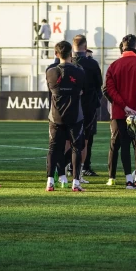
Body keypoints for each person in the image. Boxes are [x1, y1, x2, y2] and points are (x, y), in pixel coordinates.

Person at [103, 34, 136, 189]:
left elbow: (109, 89)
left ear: (122, 47)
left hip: (120, 113)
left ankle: (128, 180)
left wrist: (124, 106)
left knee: (123, 145)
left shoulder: (114, 66)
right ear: (135, 46)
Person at [46, 41, 87, 192]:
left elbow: (51, 90)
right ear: (71, 54)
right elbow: (83, 90)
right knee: (76, 148)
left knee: (53, 148)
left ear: (56, 54)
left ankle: (50, 182)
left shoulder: (50, 71)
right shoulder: (79, 71)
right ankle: (76, 183)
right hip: (75, 115)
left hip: (55, 115)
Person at [72, 35, 103, 180]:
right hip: (88, 108)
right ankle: (79, 173)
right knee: (84, 140)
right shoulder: (92, 64)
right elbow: (99, 84)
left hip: (69, 107)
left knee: (67, 140)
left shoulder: (68, 63)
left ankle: (63, 172)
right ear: (85, 47)